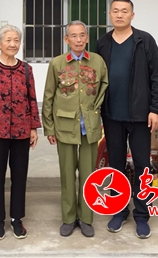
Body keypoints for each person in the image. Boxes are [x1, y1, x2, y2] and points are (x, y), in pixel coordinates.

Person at [96, 0, 158, 239]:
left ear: (132, 15)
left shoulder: (144, 41)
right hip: (111, 115)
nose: (119, 15)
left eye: (124, 11)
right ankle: (119, 209)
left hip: (140, 116)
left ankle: (142, 214)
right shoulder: (103, 43)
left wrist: (155, 109)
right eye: (115, 11)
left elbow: (157, 76)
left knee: (142, 164)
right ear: (110, 14)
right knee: (115, 165)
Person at [42, 20, 108, 238]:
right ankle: (69, 218)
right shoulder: (57, 63)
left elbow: (104, 86)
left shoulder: (97, 61)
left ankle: (86, 218)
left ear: (87, 38)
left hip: (90, 126)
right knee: (68, 174)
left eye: (82, 35)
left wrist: (95, 109)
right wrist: (49, 128)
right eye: (74, 36)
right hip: (65, 126)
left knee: (89, 175)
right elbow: (48, 97)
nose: (78, 40)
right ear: (66, 39)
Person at [0, 25, 41, 240]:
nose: (12, 44)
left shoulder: (26, 69)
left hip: (22, 131)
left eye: (16, 40)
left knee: (20, 175)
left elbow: (32, 99)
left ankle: (16, 218)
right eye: (8, 40)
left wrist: (33, 127)